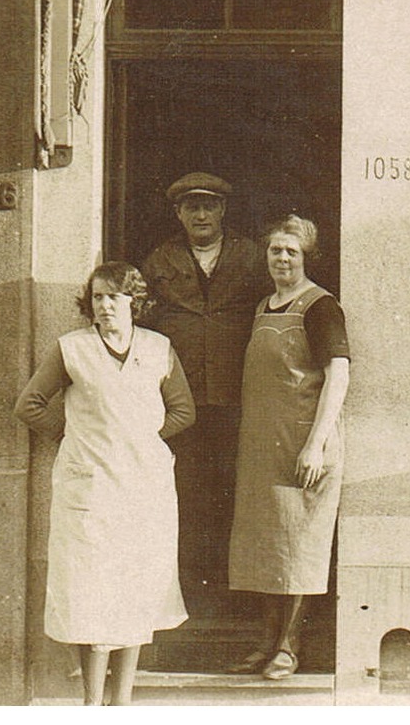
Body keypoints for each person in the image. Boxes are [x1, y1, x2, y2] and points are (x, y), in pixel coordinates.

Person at [15, 262, 195, 706]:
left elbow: (183, 411)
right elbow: (30, 405)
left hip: (142, 487)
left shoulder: (158, 349)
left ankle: (123, 702)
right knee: (89, 587)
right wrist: (72, 434)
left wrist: (140, 438)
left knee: (135, 585)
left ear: (135, 300)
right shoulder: (72, 349)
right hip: (89, 487)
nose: (105, 305)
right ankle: (92, 704)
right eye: (98, 297)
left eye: (114, 296)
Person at [226, 214, 350, 681]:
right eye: (275, 250)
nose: (281, 258)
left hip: (303, 445)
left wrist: (316, 444)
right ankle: (266, 640)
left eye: (290, 252)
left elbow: (338, 374)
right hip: (263, 447)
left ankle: (289, 647)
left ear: (306, 257)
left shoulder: (320, 307)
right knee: (264, 546)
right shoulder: (264, 306)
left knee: (300, 545)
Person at [139, 173, 270, 598]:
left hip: (239, 398)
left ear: (223, 211)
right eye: (191, 207)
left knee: (237, 491)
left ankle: (238, 592)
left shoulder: (252, 257)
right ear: (178, 213)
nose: (201, 215)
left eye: (208, 206)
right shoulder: (159, 262)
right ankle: (192, 589)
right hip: (182, 400)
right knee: (187, 492)